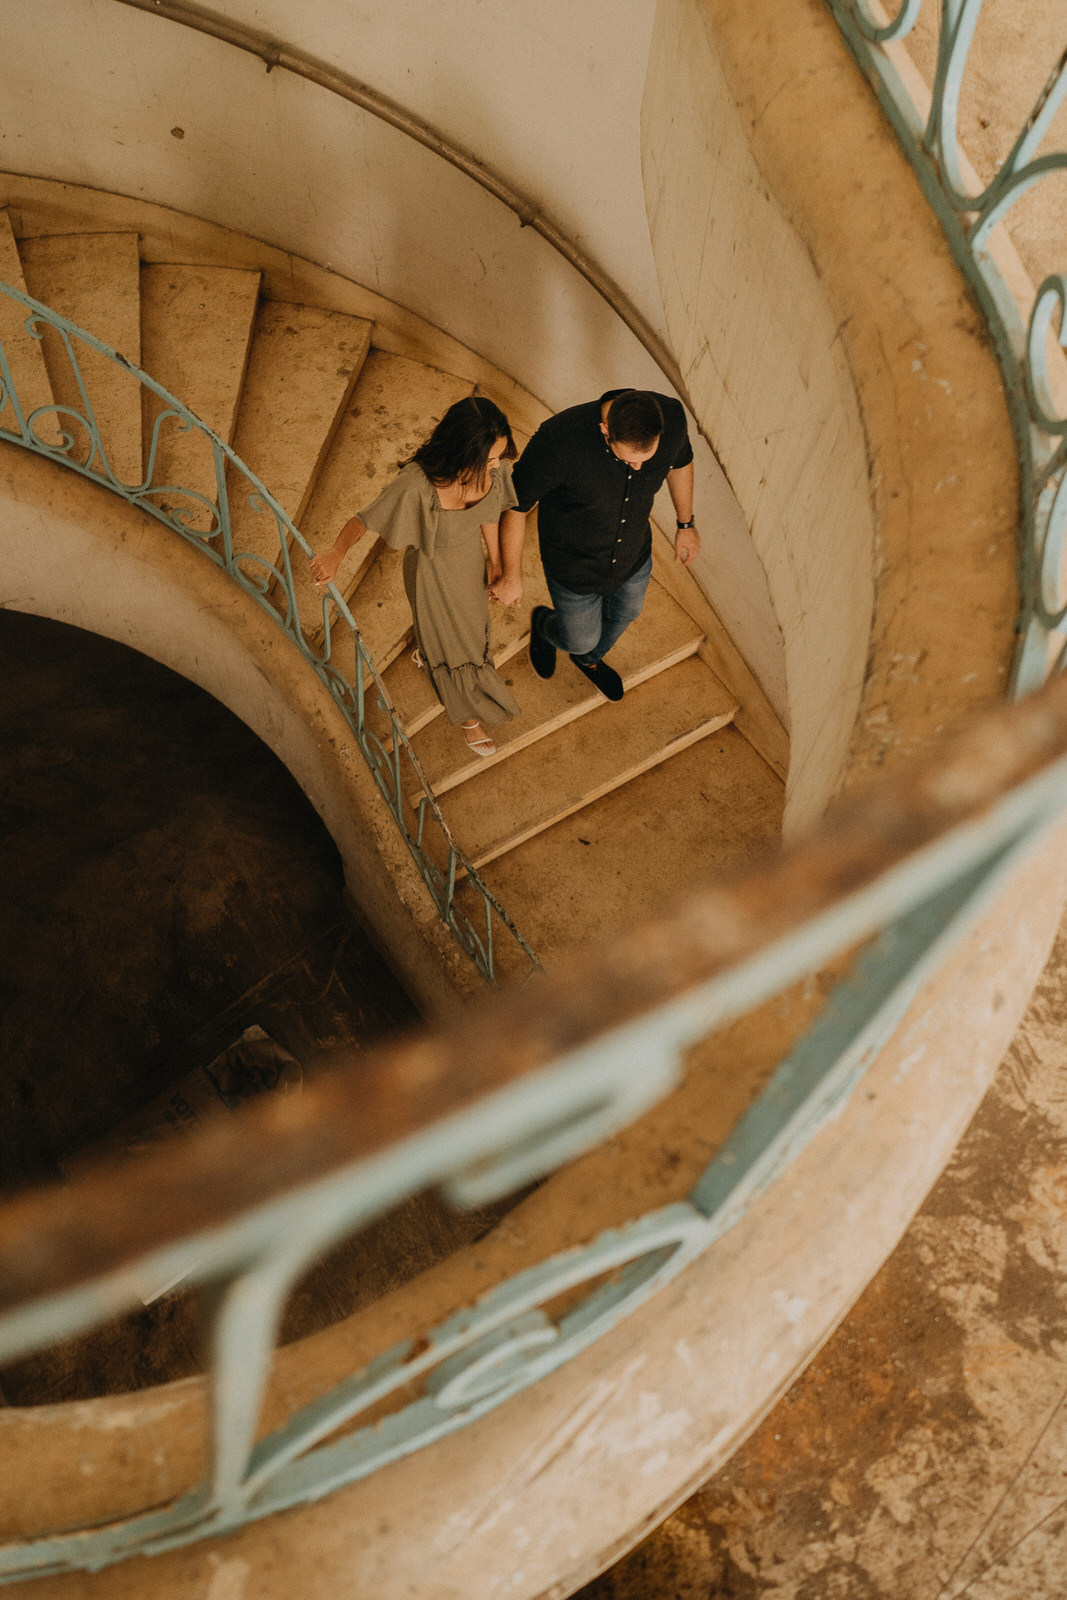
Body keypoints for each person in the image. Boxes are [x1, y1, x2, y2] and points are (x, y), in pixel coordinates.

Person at [310, 396, 525, 757]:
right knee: (449, 645)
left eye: (497, 458)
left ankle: (444, 662)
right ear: (461, 451)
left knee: (473, 632)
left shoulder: (493, 468)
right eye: (488, 460)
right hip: (431, 574)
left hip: (467, 563)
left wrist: (498, 565)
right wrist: (335, 554)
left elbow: (489, 516)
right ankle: (468, 719)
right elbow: (364, 521)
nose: (496, 466)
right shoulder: (417, 485)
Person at [502, 388, 699, 702]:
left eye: (645, 460)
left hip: (633, 554)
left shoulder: (671, 415)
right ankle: (545, 626)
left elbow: (680, 462)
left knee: (627, 613)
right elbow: (515, 506)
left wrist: (685, 523)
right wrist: (511, 576)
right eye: (629, 459)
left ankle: (588, 661)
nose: (637, 468)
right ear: (606, 430)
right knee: (579, 639)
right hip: (573, 565)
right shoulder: (558, 441)